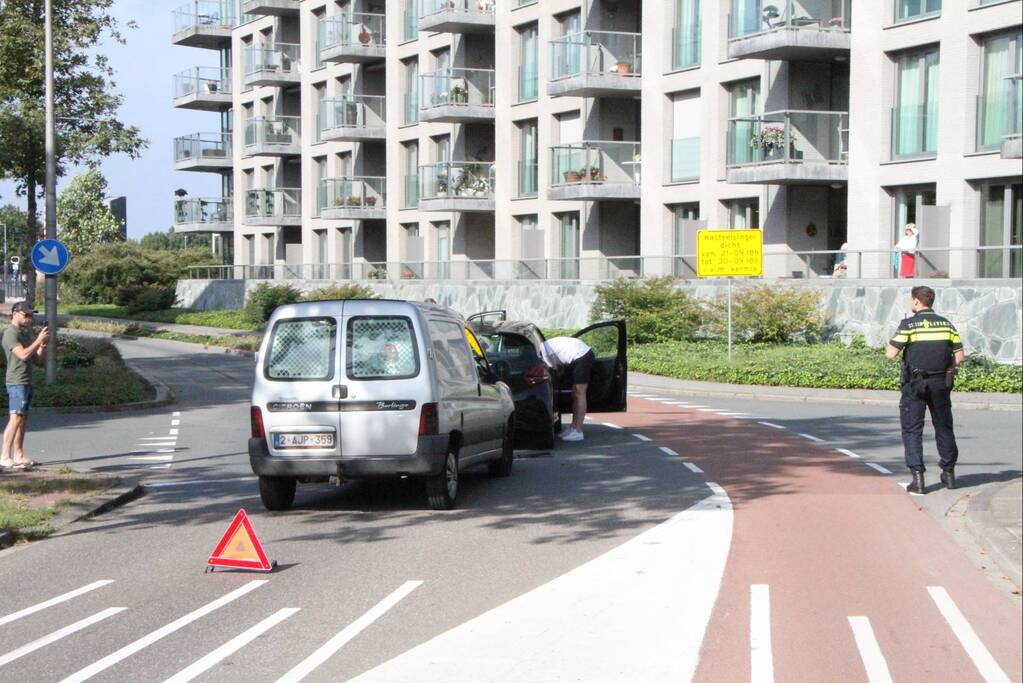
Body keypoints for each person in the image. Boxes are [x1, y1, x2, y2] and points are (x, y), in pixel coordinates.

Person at [885, 286, 965, 495]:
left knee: (912, 429)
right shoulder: (947, 325)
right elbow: (959, 357)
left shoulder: (909, 325)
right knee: (944, 426)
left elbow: (891, 353)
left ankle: (918, 479)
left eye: (911, 300)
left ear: (916, 302)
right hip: (941, 383)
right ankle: (948, 474)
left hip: (915, 384)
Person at [2, 302, 49, 470]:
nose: (29, 319)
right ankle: (4, 456)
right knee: (15, 417)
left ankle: (19, 454)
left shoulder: (24, 334)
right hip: (16, 381)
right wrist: (38, 340)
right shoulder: (10, 333)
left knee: (23, 419)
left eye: (31, 316)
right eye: (26, 315)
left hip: (26, 380)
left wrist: (42, 346)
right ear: (15, 313)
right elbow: (22, 355)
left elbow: (37, 360)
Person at [541, 336, 595, 442]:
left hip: (582, 356)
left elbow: (552, 366)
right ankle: (573, 427)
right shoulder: (544, 344)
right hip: (578, 356)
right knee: (575, 392)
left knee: (579, 392)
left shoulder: (543, 347)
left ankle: (578, 431)